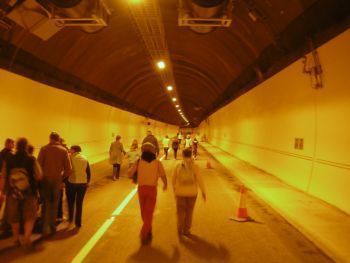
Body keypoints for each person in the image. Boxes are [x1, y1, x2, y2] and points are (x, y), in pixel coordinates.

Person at [0, 138, 43, 248]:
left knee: (14, 217)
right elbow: (39, 176)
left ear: (16, 146)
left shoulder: (9, 159)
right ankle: (27, 236)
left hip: (13, 192)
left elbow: (4, 176)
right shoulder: (31, 159)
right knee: (29, 215)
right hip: (29, 192)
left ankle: (15, 239)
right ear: (26, 146)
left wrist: (3, 191)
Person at [128, 142, 167, 245]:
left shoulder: (138, 162)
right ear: (153, 150)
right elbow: (163, 175)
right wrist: (165, 184)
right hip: (152, 190)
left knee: (144, 212)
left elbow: (129, 174)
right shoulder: (157, 162)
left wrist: (134, 172)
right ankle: (146, 231)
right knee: (149, 212)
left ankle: (146, 229)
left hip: (141, 189)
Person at [38, 132, 72, 236]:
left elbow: (38, 165)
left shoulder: (44, 149)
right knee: (54, 203)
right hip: (57, 181)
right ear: (58, 139)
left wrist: (41, 178)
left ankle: (44, 228)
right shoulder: (63, 151)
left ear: (50, 138)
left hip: (45, 181)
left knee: (46, 203)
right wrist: (62, 179)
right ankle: (52, 227)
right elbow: (69, 169)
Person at [172, 148, 206, 237]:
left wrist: (174, 190)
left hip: (180, 193)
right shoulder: (195, 166)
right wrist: (203, 192)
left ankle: (180, 229)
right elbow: (200, 180)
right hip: (192, 193)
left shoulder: (178, 165)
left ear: (182, 155)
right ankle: (186, 230)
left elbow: (173, 179)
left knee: (180, 212)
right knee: (189, 212)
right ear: (191, 155)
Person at [66, 145, 90, 228]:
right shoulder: (85, 158)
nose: (69, 150)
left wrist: (64, 181)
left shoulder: (69, 158)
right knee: (79, 203)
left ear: (74, 150)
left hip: (71, 183)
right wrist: (87, 182)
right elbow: (88, 171)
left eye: (71, 149)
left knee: (70, 202)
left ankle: (70, 219)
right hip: (82, 183)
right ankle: (78, 223)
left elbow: (67, 171)